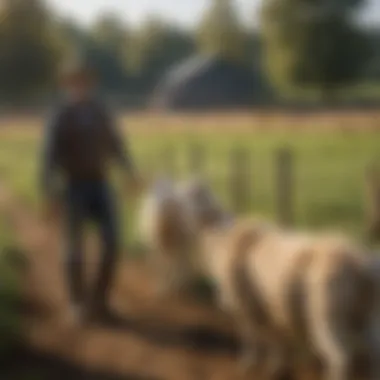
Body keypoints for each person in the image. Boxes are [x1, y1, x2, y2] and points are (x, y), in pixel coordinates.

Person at [40, 58, 140, 323]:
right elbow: (49, 156)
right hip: (74, 187)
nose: (80, 86)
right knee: (74, 247)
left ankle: (101, 301)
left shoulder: (100, 112)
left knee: (112, 241)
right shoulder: (61, 116)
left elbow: (116, 143)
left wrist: (129, 171)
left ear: (90, 83)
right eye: (75, 81)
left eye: (84, 81)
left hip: (101, 184)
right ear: (67, 85)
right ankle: (76, 303)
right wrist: (49, 192)